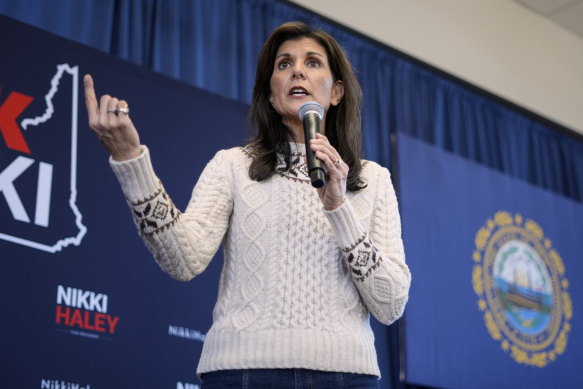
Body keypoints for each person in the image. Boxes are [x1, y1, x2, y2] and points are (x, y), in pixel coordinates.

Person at [84, 21, 411, 389]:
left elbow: (390, 303)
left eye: (312, 62)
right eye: (284, 64)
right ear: (271, 95)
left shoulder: (373, 179)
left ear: (336, 92)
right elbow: (183, 259)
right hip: (243, 375)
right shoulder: (233, 165)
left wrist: (339, 209)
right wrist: (131, 160)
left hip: (346, 378)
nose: (297, 70)